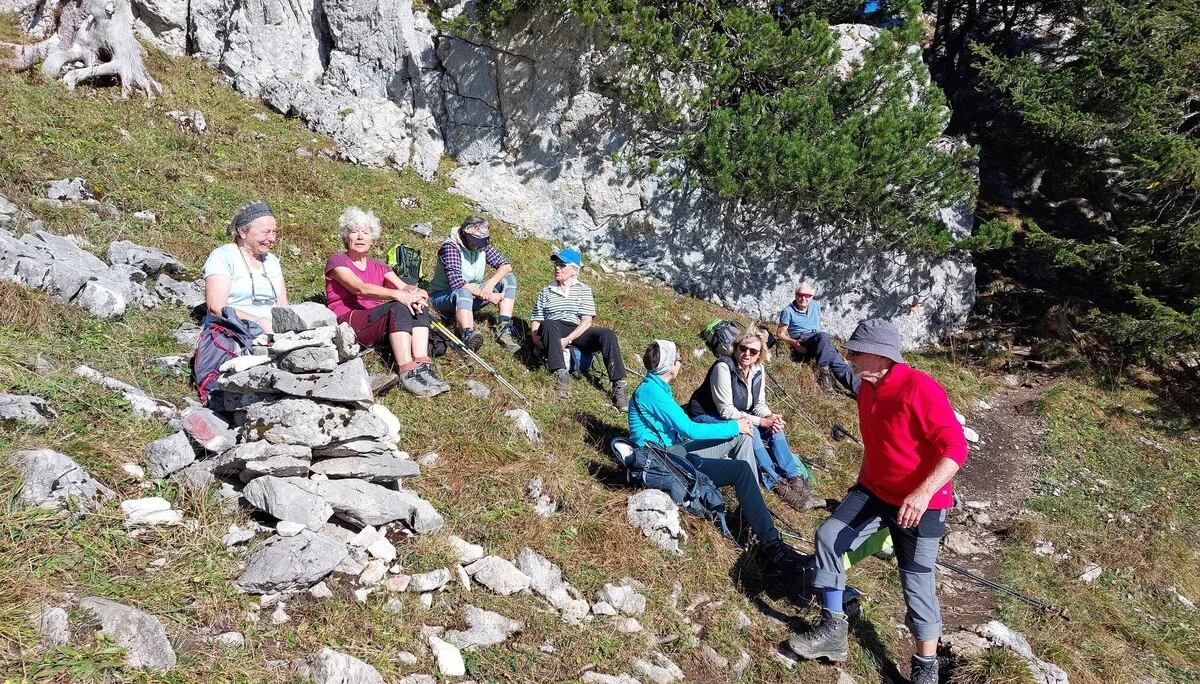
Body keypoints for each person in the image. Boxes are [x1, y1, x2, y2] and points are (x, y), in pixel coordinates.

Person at [786, 319, 968, 684]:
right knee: (828, 538)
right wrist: (863, 480)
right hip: (873, 490)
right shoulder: (868, 388)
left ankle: (925, 668)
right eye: (849, 351)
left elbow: (956, 448)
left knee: (916, 583)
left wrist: (922, 493)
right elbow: (880, 442)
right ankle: (833, 630)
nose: (850, 356)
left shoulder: (920, 388)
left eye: (856, 351)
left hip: (922, 502)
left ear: (882, 356)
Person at [628, 340, 810, 570]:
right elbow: (690, 429)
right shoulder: (652, 391)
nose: (681, 362)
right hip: (667, 461)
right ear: (669, 365)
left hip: (674, 453)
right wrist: (734, 425)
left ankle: (751, 513)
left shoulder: (656, 387)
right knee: (741, 469)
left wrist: (738, 428)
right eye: (679, 359)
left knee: (742, 437)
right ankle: (770, 543)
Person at [685, 327, 818, 512]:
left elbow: (759, 404)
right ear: (735, 347)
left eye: (753, 351)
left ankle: (794, 478)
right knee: (750, 429)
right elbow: (726, 411)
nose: (747, 354)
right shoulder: (723, 367)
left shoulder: (758, 369)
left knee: (775, 429)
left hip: (738, 413)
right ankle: (776, 484)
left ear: (759, 354)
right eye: (743, 348)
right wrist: (760, 422)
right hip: (706, 415)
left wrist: (770, 417)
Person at [324, 207, 449, 398]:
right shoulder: (337, 261)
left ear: (372, 240)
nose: (360, 237)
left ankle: (422, 364)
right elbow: (359, 288)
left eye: (366, 232)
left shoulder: (379, 265)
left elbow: (403, 287)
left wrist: (417, 294)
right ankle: (406, 370)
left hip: (374, 320)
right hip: (347, 323)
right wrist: (398, 295)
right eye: (354, 231)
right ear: (346, 237)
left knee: (416, 304)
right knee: (398, 305)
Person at [530, 248, 629, 408]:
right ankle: (560, 376)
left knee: (607, 334)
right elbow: (537, 321)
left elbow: (587, 321)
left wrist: (568, 339)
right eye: (556, 264)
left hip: (576, 329)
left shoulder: (583, 289)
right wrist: (538, 340)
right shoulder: (545, 292)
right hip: (553, 328)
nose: (557, 268)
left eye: (562, 265)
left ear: (574, 270)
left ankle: (619, 387)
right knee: (548, 324)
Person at [428, 216, 520, 353]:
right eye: (474, 241)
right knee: (463, 292)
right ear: (465, 233)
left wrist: (490, 285)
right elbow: (457, 284)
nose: (477, 245)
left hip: (472, 295)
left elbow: (506, 266)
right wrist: (488, 296)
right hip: (443, 296)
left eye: (481, 242)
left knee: (508, 278)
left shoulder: (481, 247)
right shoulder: (451, 247)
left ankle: (504, 327)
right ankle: (467, 334)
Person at [203, 200, 288, 332]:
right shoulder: (222, 257)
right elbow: (216, 308)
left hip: (271, 331)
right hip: (233, 330)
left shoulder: (272, 261)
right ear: (242, 232)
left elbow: (282, 304)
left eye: (274, 232)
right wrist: (258, 322)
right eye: (266, 232)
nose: (272, 238)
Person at [776, 282, 859, 396]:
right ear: (795, 295)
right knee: (823, 336)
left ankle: (861, 391)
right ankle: (824, 373)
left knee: (838, 362)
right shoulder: (788, 311)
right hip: (802, 340)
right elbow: (780, 333)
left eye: (807, 295)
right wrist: (793, 342)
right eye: (800, 295)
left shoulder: (815, 305)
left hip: (818, 339)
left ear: (812, 297)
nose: (803, 298)